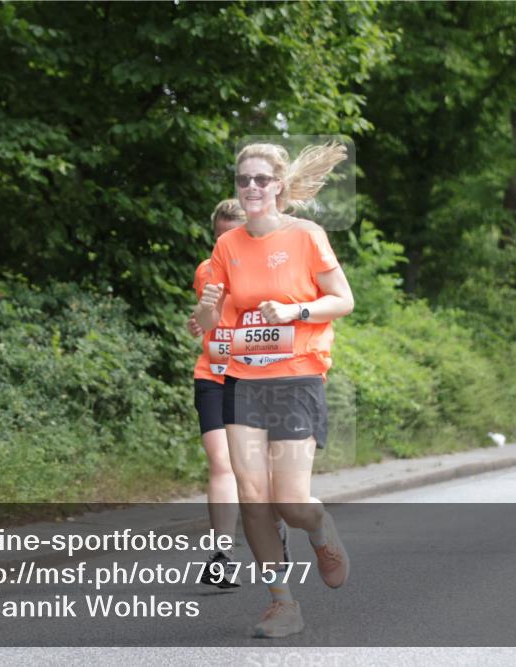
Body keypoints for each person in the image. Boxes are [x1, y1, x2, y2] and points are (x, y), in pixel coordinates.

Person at [195, 141, 353, 638]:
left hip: (298, 377)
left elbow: (342, 299)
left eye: (262, 179)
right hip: (244, 379)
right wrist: (208, 307)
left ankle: (319, 526)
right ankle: (282, 603)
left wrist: (295, 312)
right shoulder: (228, 246)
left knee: (289, 500)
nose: (252, 188)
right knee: (253, 496)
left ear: (279, 185)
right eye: (244, 180)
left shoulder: (307, 236)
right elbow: (207, 325)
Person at [189, 200, 291, 588]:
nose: (226, 244)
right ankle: (221, 554)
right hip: (215, 375)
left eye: (235, 235)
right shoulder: (207, 270)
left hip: (263, 379)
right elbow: (207, 317)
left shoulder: (277, 269)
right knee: (221, 461)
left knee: (262, 474)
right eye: (220, 237)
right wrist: (199, 321)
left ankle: (275, 530)